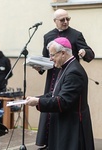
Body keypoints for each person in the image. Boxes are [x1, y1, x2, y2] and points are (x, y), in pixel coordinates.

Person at [34, 8, 95, 149]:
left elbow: (90, 54)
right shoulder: (48, 36)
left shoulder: (75, 35)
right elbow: (47, 59)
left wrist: (85, 52)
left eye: (68, 19)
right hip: (54, 79)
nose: (66, 22)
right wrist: (41, 67)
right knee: (52, 108)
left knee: (61, 104)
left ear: (63, 53)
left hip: (69, 77)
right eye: (62, 20)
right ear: (55, 21)